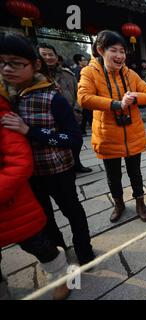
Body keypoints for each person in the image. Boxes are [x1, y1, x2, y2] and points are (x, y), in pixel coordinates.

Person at [0, 32, 95, 266]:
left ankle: (84, 249)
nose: (7, 69)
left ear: (35, 65)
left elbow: (73, 138)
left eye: (16, 63)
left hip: (57, 170)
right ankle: (59, 253)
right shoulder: (5, 98)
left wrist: (30, 131)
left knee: (72, 210)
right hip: (27, 177)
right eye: (2, 62)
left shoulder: (52, 97)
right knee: (43, 218)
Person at [0, 85, 72, 300]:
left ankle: (60, 275)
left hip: (13, 203)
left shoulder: (5, 116)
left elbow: (19, 162)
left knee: (37, 243)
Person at [77, 30, 146, 223]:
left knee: (135, 173)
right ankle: (119, 204)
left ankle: (140, 203)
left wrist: (135, 97)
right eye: (114, 50)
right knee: (113, 176)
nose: (120, 56)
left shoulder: (130, 74)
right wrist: (115, 104)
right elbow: (83, 98)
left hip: (132, 133)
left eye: (122, 51)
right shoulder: (89, 72)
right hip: (107, 134)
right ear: (100, 50)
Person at [37, 43, 92, 173]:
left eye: (51, 54)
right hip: (49, 119)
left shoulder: (68, 74)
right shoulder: (35, 77)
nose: (48, 57)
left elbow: (78, 93)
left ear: (56, 57)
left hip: (72, 115)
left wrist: (78, 109)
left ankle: (76, 163)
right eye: (44, 54)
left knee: (76, 141)